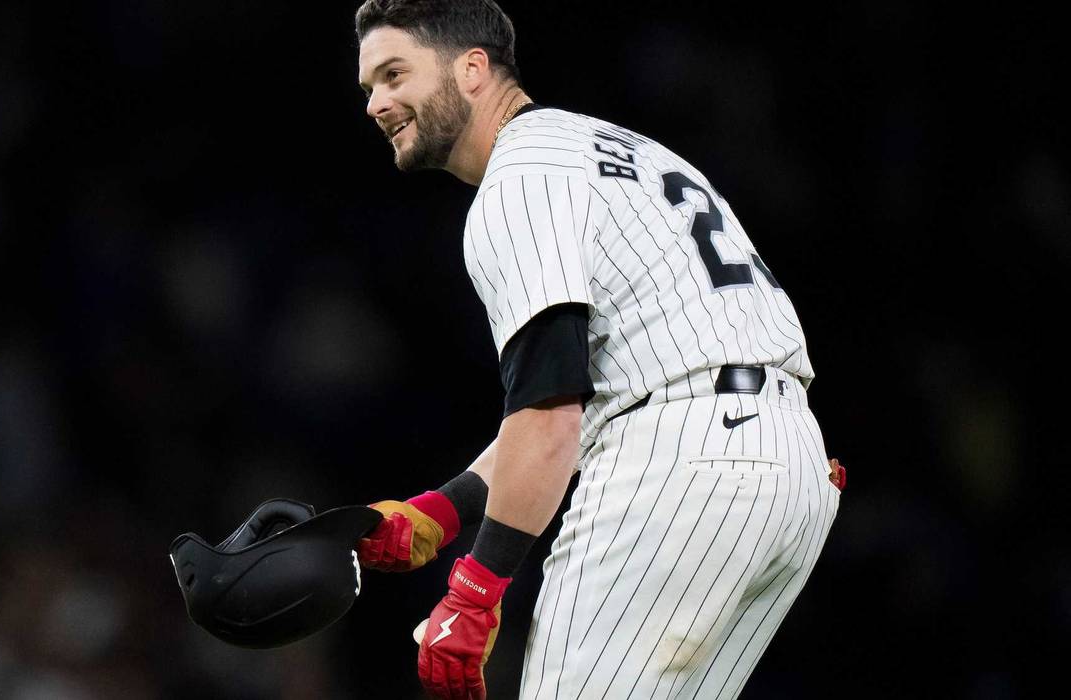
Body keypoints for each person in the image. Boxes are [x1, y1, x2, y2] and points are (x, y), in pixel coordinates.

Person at [352, 1, 844, 698]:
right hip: (787, 466)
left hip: (683, 465)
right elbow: (610, 385)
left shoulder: (518, 178)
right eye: (369, 86)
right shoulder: (612, 150)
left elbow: (550, 414)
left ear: (471, 68)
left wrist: (475, 589)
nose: (377, 103)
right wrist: (444, 508)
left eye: (394, 74)